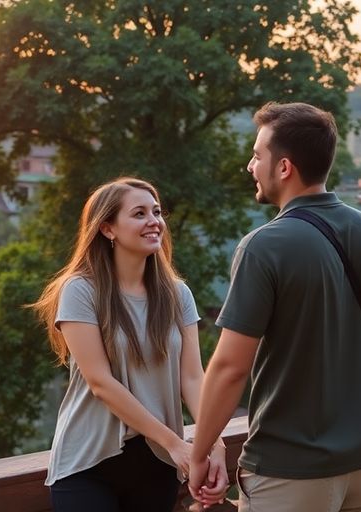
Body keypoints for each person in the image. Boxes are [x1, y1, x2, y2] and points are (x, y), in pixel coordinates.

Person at [188, 103, 361, 512]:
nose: (251, 165)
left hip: (292, 468)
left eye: (257, 155)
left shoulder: (265, 245)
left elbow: (231, 368)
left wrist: (199, 453)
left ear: (284, 167)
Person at [34, 177, 228, 511]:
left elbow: (193, 378)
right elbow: (100, 384)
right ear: (107, 228)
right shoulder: (80, 291)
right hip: (87, 463)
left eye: (156, 212)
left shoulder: (178, 294)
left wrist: (215, 445)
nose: (154, 221)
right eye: (139, 214)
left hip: (156, 465)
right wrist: (176, 444)